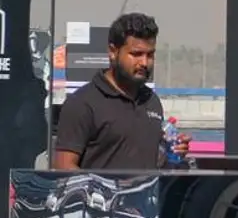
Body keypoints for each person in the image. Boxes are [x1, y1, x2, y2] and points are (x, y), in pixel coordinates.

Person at [52, 12, 188, 170]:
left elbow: (153, 162)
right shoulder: (83, 103)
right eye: (136, 54)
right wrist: (98, 185)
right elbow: (63, 166)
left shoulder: (152, 101)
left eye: (150, 55)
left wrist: (172, 152)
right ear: (113, 51)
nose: (144, 62)